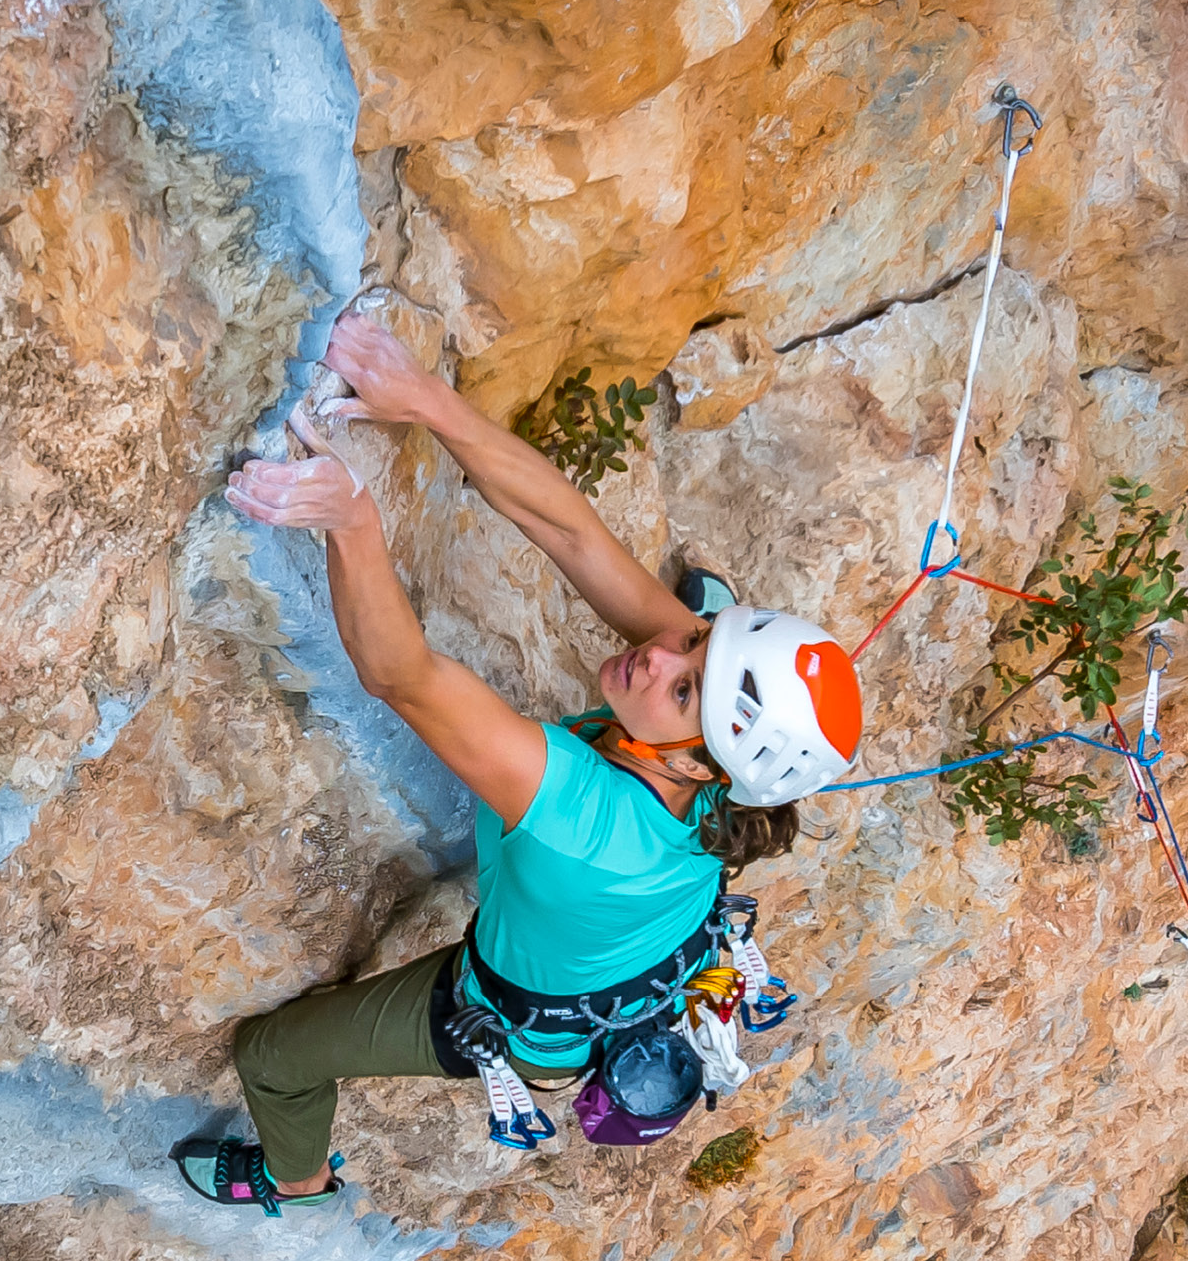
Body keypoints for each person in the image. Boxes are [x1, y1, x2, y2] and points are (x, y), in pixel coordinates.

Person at [172, 311, 862, 1211]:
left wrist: (352, 519)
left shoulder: (581, 819)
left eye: (686, 689)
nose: (658, 655)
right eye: (699, 642)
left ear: (703, 765)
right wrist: (425, 398)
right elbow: (572, 533)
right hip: (645, 937)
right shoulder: (713, 757)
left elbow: (403, 674)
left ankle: (294, 1179)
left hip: (522, 1018)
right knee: (654, 619)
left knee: (274, 1055)